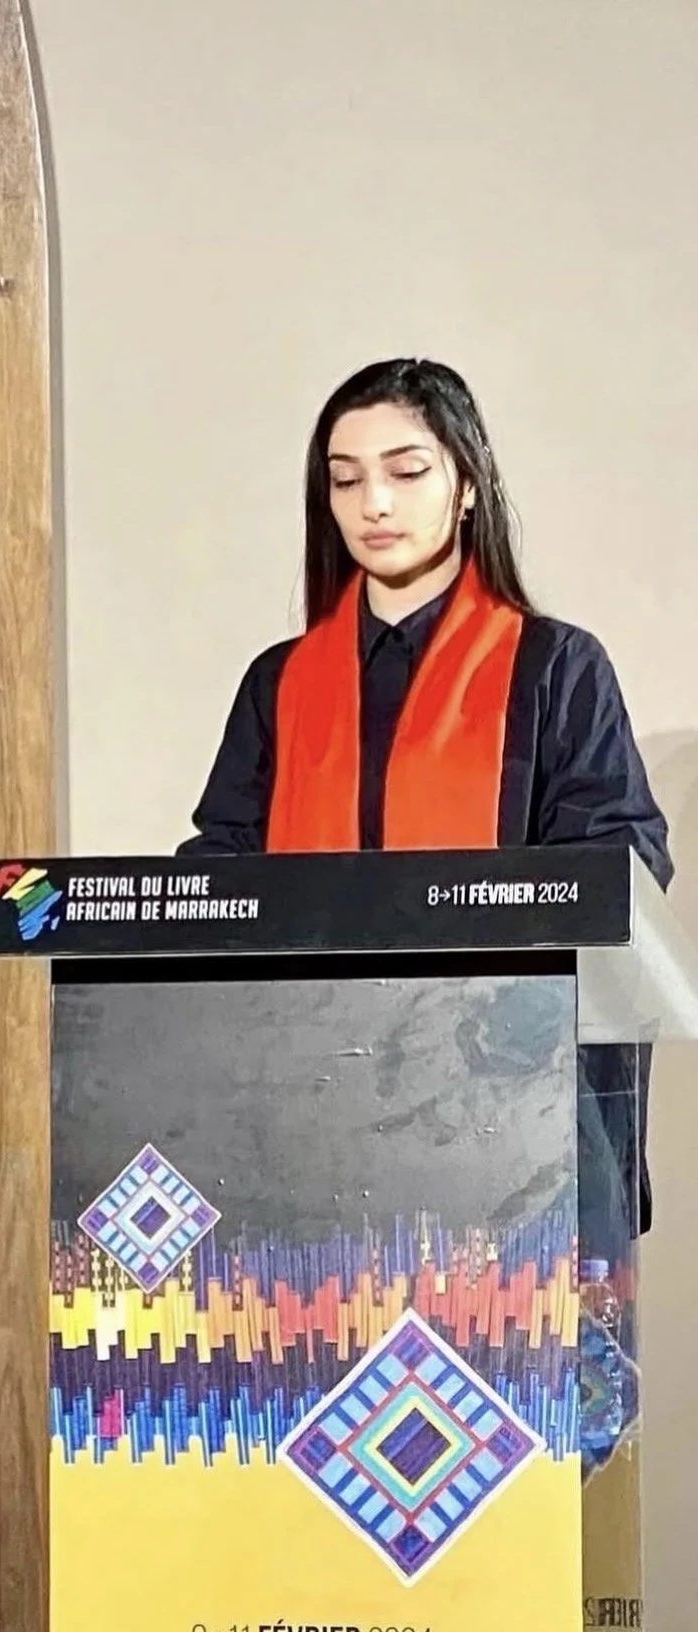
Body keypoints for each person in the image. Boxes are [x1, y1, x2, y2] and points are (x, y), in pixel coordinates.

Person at [180, 357, 671, 1241]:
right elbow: (222, 869)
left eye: (407, 472)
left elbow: (617, 865)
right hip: (309, 1111)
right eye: (346, 479)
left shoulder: (553, 668)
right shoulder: (281, 684)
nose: (375, 503)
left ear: (468, 485)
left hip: (515, 1116)